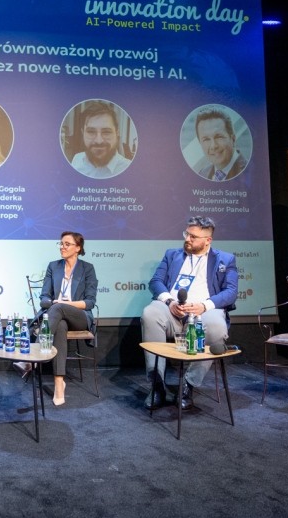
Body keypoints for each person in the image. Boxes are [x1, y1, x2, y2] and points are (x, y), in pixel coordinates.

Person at [140, 216, 238, 411]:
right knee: (150, 313)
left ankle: (188, 386)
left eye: (193, 236)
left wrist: (204, 305)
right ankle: (157, 386)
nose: (187, 239)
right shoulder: (172, 255)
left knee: (217, 327)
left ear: (208, 240)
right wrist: (170, 301)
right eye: (186, 234)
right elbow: (156, 282)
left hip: (203, 312)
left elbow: (231, 292)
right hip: (172, 311)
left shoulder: (225, 259)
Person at [35, 231, 98, 406]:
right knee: (61, 325)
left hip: (80, 317)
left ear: (77, 248)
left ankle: (35, 351)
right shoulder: (53, 266)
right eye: (61, 243)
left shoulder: (87, 268)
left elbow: (90, 302)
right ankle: (59, 384)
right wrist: (54, 303)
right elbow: (44, 298)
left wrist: (65, 304)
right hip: (57, 316)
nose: (62, 247)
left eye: (67, 244)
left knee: (60, 308)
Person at [69, 100, 131, 178]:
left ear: (117, 133)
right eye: (91, 132)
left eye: (106, 132)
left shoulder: (130, 169)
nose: (99, 141)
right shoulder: (77, 159)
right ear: (83, 133)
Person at [194, 106, 247, 181]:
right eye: (206, 139)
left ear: (233, 139)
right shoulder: (202, 173)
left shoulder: (249, 172)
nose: (213, 146)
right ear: (200, 143)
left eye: (219, 137)